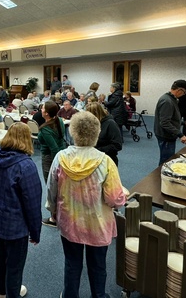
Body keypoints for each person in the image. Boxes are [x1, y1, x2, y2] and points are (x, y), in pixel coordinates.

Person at [46, 111, 126, 298]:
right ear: (96, 133)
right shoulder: (105, 161)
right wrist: (122, 198)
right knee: (98, 265)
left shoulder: (60, 157)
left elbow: (51, 190)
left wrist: (53, 211)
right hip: (97, 224)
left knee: (72, 263)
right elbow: (114, 199)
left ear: (72, 132)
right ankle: (98, 295)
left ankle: (70, 295)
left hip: (70, 221)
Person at [0, 123, 42, 298]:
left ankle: (1, 291)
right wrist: (35, 231)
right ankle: (12, 294)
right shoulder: (26, 166)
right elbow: (32, 203)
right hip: (16, 225)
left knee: (0, 256)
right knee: (15, 264)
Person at [38, 101, 66, 227]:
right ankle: (61, 213)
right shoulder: (59, 120)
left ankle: (54, 218)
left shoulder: (45, 129)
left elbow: (53, 149)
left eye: (43, 107)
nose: (41, 108)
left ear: (46, 113)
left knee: (52, 187)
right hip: (63, 154)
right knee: (60, 187)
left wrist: (56, 166)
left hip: (50, 158)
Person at [154, 80, 186, 166]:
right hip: (165, 136)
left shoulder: (171, 99)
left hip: (168, 134)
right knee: (166, 160)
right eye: (184, 92)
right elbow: (165, 123)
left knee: (168, 158)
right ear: (179, 90)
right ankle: (161, 177)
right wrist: (180, 135)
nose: (184, 95)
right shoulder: (167, 101)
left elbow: (172, 118)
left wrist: (183, 123)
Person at [86, 102, 123, 166]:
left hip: (107, 160)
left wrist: (97, 151)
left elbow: (117, 145)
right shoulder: (92, 123)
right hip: (93, 159)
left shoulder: (110, 124)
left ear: (96, 114)